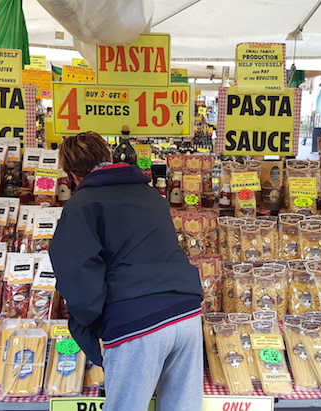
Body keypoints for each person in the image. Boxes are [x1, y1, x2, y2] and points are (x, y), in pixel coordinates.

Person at [48, 131, 204, 411]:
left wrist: (91, 324)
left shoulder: (81, 206)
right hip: (187, 313)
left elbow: (78, 277)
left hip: (137, 322)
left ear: (71, 174)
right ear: (107, 158)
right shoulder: (150, 194)